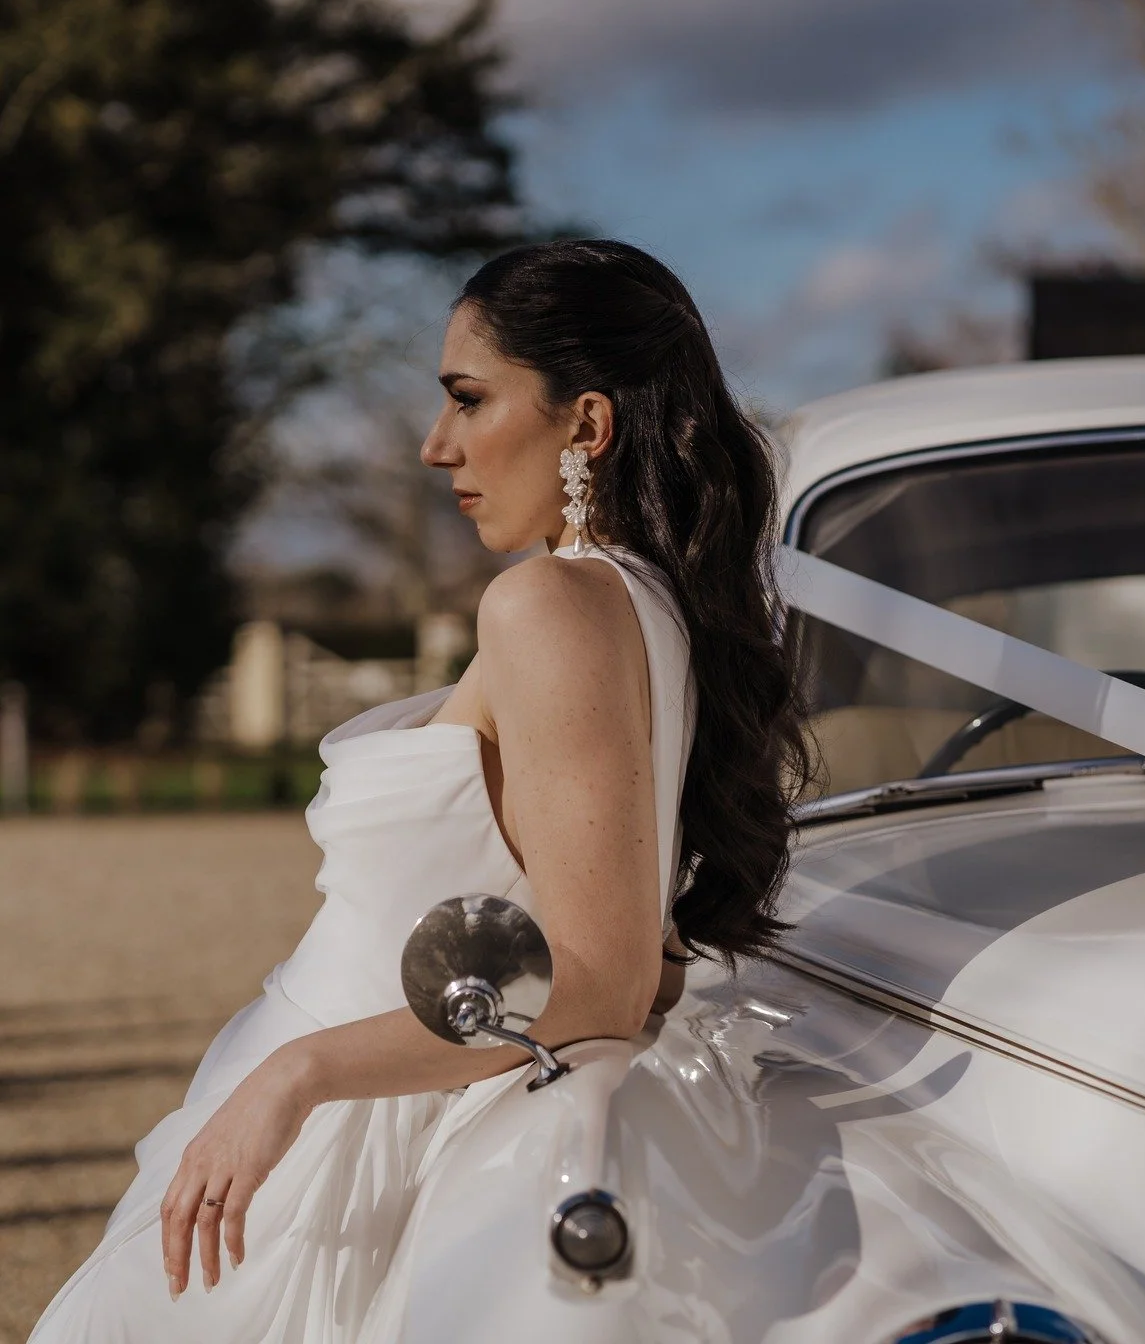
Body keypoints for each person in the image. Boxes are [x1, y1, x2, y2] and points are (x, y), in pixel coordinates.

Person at [29, 239, 814, 1342]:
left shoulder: (550, 604)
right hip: (369, 1101)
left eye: (468, 399)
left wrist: (298, 1074)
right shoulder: (647, 606)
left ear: (587, 425)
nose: (433, 444)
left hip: (347, 1141)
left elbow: (603, 976)